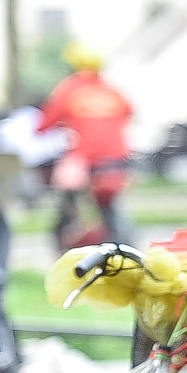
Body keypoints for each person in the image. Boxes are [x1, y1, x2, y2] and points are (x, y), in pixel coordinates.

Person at [37, 44, 134, 251]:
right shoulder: (113, 91)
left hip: (83, 158)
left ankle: (69, 236)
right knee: (109, 205)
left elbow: (44, 123)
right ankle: (121, 243)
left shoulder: (68, 89)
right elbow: (129, 112)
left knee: (66, 192)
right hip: (116, 158)